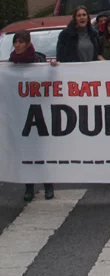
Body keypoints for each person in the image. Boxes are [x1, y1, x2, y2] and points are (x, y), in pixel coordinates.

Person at [10, 31, 56, 201]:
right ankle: (28, 187)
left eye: (21, 42)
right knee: (25, 151)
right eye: (15, 42)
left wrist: (53, 69)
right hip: (20, 112)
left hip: (38, 111)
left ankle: (48, 185)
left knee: (40, 151)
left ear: (28, 43)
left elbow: (50, 82)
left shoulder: (38, 60)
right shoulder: (11, 63)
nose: (17, 45)